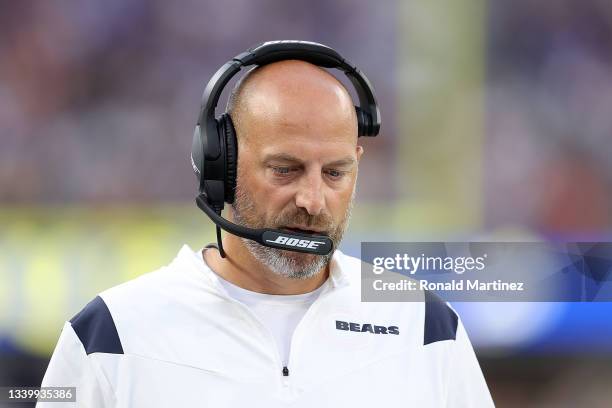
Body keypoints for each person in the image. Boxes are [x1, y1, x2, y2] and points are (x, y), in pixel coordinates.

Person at [38, 42, 494, 407]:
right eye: (285, 169)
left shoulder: (427, 327)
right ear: (221, 167)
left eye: (335, 173)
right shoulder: (110, 334)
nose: (313, 201)